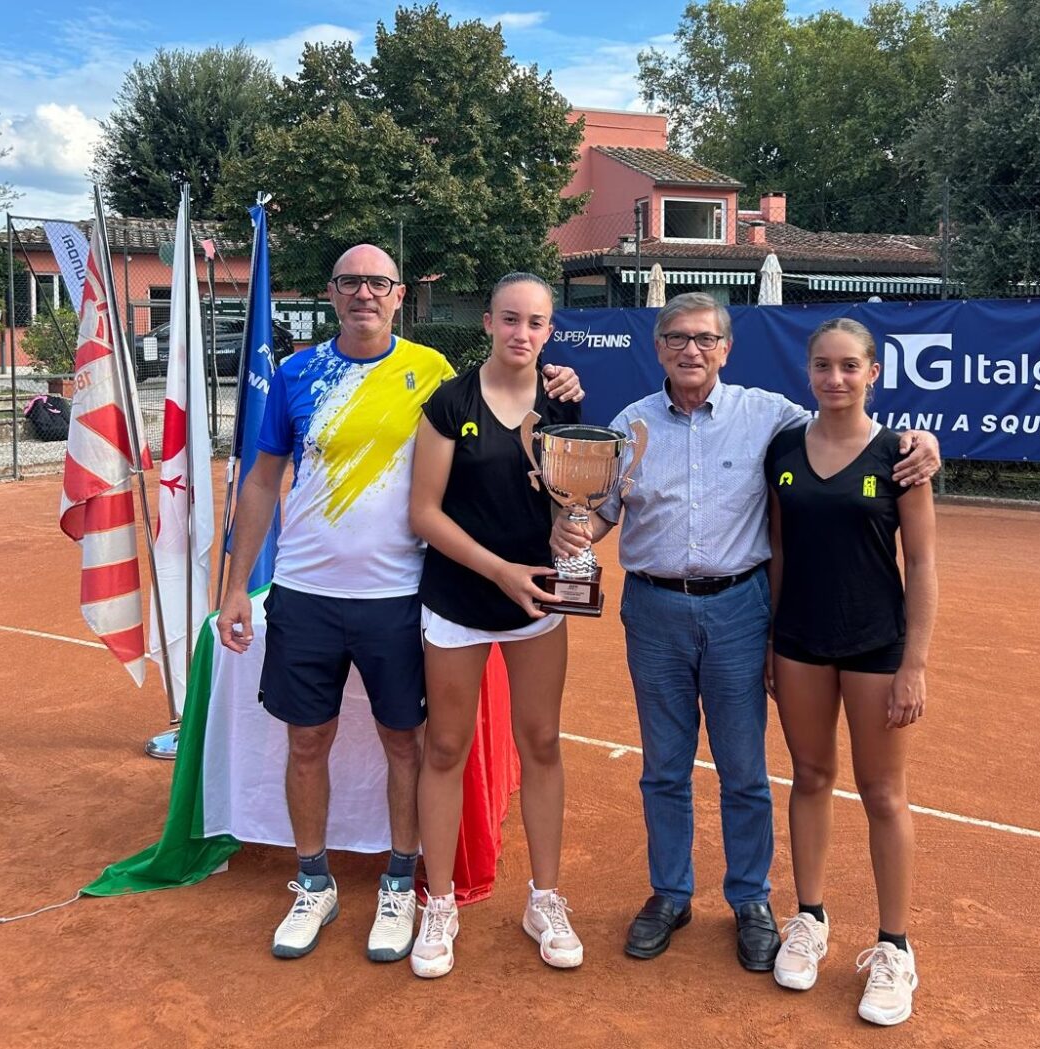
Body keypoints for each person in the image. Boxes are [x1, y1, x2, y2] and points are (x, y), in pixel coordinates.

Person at [551, 292, 939, 973]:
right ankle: (671, 893)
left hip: (740, 610)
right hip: (654, 611)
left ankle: (751, 899)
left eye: (705, 338)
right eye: (677, 337)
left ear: (727, 349)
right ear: (658, 347)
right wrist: (576, 527)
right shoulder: (628, 426)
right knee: (664, 766)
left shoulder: (771, 417)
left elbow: (846, 427)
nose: (691, 349)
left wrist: (922, 441)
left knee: (743, 769)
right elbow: (603, 510)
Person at [216, 246, 581, 963]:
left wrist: (561, 379)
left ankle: (402, 883)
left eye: (377, 283)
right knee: (307, 742)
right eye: (350, 281)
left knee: (408, 744)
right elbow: (261, 482)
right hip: (306, 590)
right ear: (331, 292)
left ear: (399, 294)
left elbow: (512, 418)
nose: (364, 293)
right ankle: (313, 882)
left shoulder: (433, 373)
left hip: (398, 594)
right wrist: (235, 585)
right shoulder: (295, 373)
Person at [407, 272, 583, 979]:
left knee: (541, 743)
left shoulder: (565, 401)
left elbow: (576, 500)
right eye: (510, 319)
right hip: (458, 600)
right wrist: (500, 570)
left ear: (550, 331)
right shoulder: (450, 403)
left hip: (537, 603)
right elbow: (424, 513)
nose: (522, 333)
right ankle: (440, 901)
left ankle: (545, 899)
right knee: (446, 747)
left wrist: (574, 530)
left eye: (536, 323)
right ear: (487, 322)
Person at [764, 317, 936, 1026]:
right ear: (808, 372)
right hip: (799, 642)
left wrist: (914, 663)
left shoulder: (901, 454)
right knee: (809, 777)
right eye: (822, 366)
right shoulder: (782, 448)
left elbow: (921, 562)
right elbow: (777, 550)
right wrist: (772, 638)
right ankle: (809, 918)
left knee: (883, 792)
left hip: (876, 647)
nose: (835, 378)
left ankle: (895, 946)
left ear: (872, 373)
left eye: (848, 366)